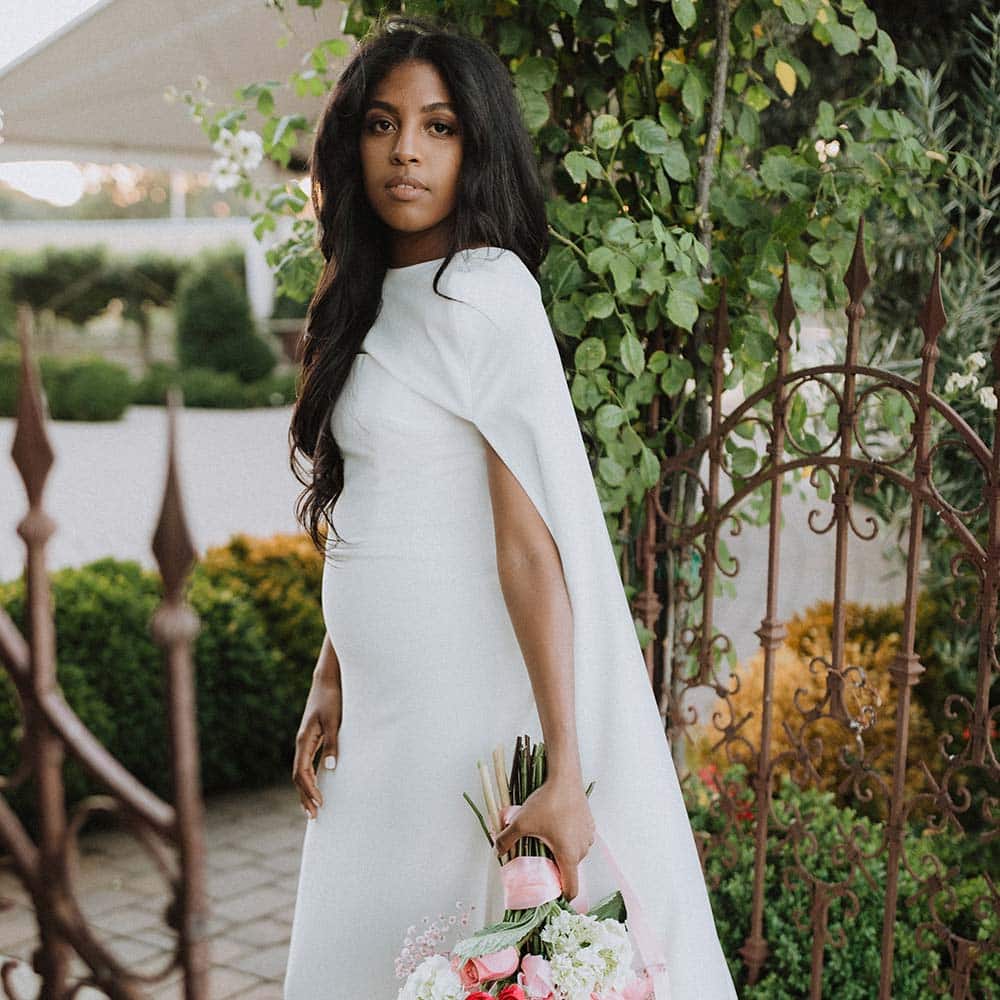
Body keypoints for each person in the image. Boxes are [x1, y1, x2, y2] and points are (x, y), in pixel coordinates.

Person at [282, 12, 737, 999]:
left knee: (445, 949)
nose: (406, 150)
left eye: (439, 127)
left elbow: (534, 548)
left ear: (475, 146)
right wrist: (331, 674)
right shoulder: (362, 300)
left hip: (461, 713)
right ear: (349, 140)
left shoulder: (482, 292)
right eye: (382, 123)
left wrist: (565, 770)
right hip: (376, 719)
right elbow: (373, 504)